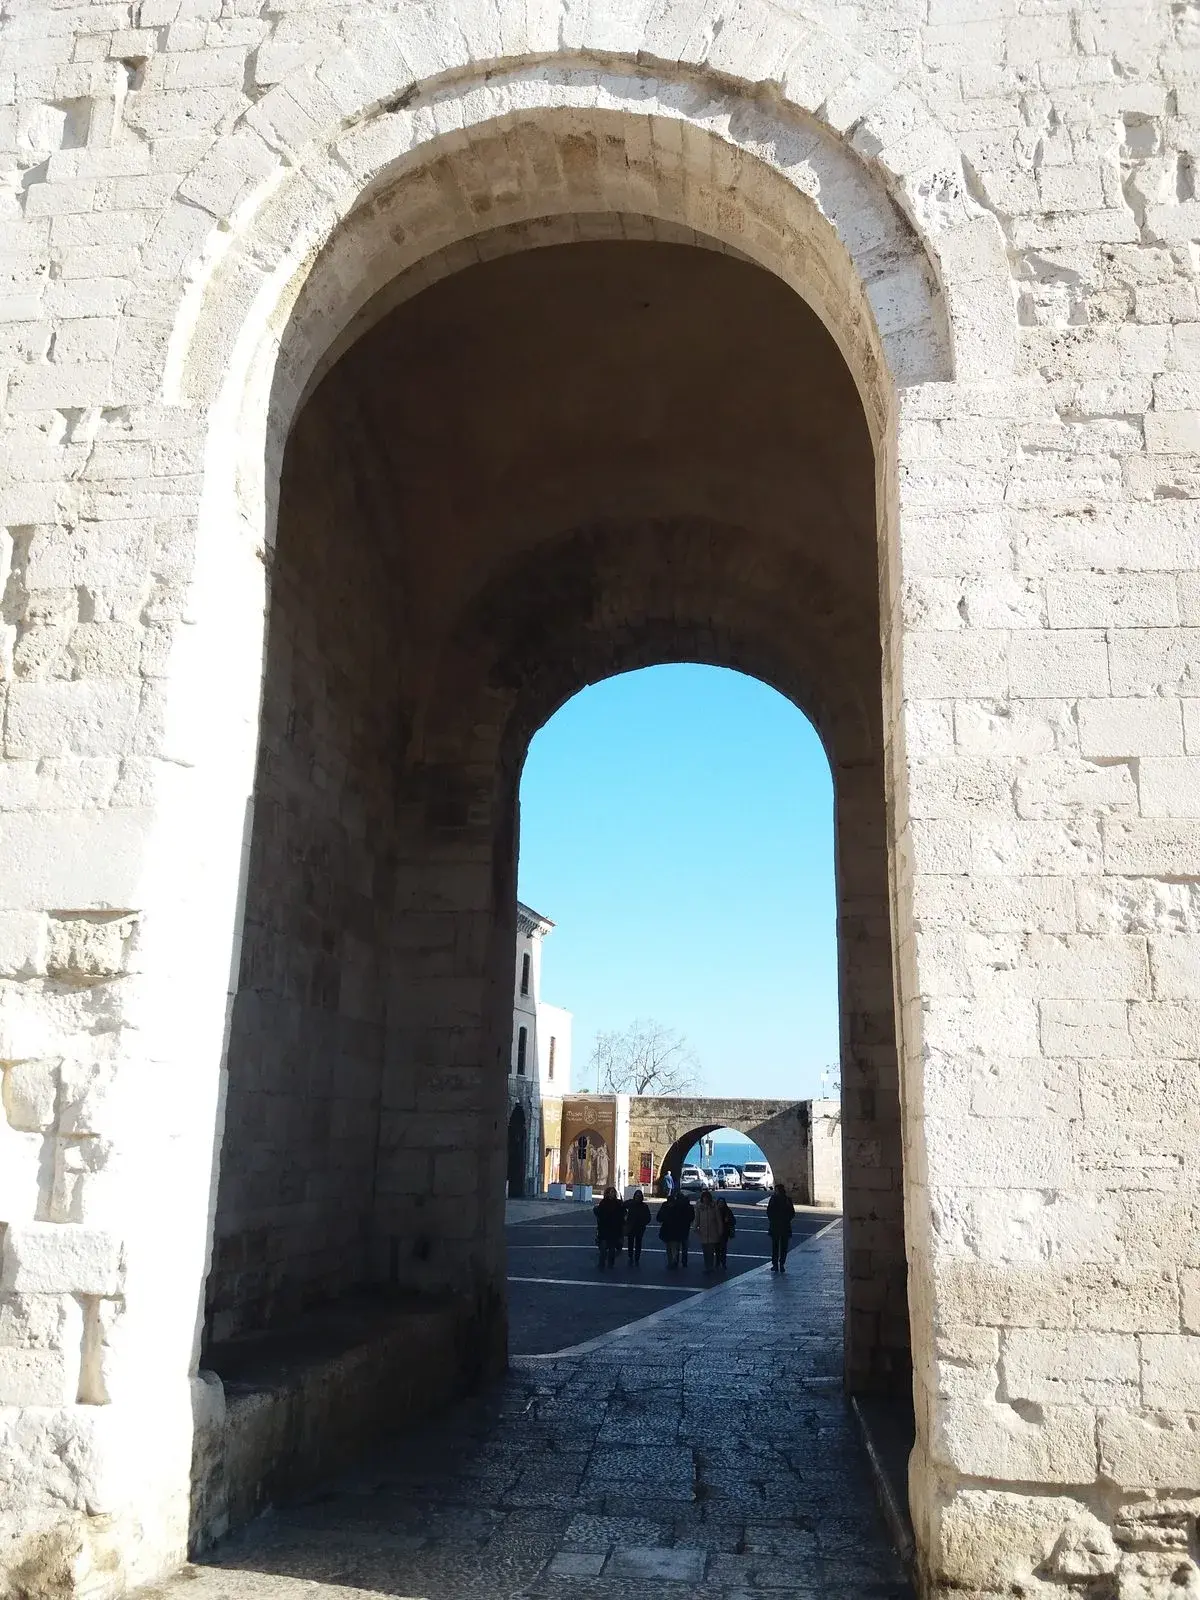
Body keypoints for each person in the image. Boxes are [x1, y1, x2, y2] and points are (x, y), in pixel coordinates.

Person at [593, 1185, 626, 1269]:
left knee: (612, 1248)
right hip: (604, 1228)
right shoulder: (603, 1203)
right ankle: (601, 1264)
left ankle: (611, 1263)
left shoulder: (618, 1203)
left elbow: (623, 1214)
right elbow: (599, 1214)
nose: (612, 1194)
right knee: (603, 1248)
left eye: (613, 1192)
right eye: (611, 1192)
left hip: (614, 1229)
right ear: (607, 1194)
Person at [766, 1181, 796, 1273]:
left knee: (775, 1247)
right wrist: (787, 1220)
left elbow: (769, 1211)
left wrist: (773, 1220)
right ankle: (781, 1264)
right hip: (785, 1226)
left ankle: (775, 1264)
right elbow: (792, 1213)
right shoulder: (787, 1200)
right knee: (783, 1247)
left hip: (775, 1226)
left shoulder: (773, 1199)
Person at [658, 1189, 691, 1269]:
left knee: (672, 1248)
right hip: (673, 1230)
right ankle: (674, 1262)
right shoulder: (677, 1207)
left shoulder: (674, 1207)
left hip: (672, 1230)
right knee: (673, 1248)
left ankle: (673, 1262)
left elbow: (659, 1217)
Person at [694, 1188, 723, 1271]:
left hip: (712, 1232)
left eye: (707, 1198)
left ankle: (710, 1266)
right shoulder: (700, 1207)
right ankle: (707, 1266)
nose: (705, 1200)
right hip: (703, 1232)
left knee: (711, 1251)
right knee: (705, 1251)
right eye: (704, 1198)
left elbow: (718, 1219)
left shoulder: (714, 1207)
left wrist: (720, 1230)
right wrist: (695, 1227)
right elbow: (697, 1218)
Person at [625, 1188, 651, 1265]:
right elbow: (623, 1205)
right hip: (632, 1226)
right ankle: (631, 1256)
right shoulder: (631, 1204)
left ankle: (636, 1257)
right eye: (637, 1196)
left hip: (640, 1227)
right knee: (631, 1242)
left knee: (638, 1242)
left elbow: (648, 1217)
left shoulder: (644, 1206)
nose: (638, 1198)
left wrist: (643, 1223)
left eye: (639, 1196)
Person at [715, 1196, 736, 1268]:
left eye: (722, 1202)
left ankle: (723, 1262)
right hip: (716, 1232)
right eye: (719, 1202)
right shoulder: (715, 1211)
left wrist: (728, 1220)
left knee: (723, 1248)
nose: (721, 1204)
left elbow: (733, 1221)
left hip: (724, 1232)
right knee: (717, 1249)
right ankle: (717, 1262)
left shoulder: (727, 1211)